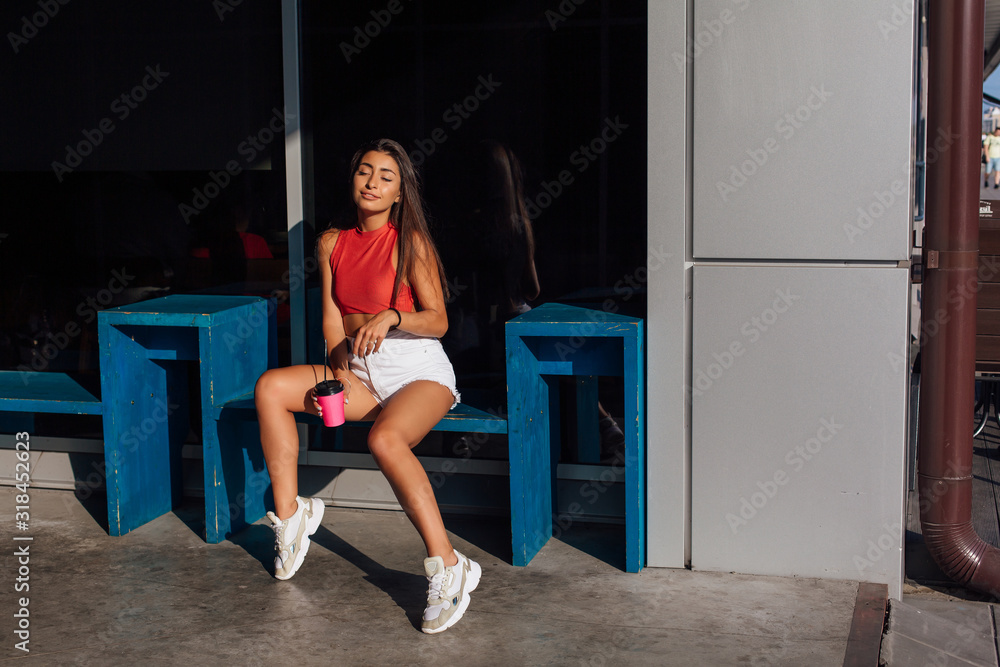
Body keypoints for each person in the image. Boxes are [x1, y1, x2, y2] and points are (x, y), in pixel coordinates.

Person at [253, 138, 481, 634]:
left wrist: (394, 315)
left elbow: (439, 320)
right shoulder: (332, 242)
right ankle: (291, 517)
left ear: (400, 193)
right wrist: (338, 368)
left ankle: (449, 566)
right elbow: (333, 320)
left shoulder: (409, 242)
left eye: (386, 177)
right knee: (271, 387)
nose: (373, 183)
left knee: (384, 439)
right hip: (360, 371)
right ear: (353, 178)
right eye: (365, 171)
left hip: (418, 368)